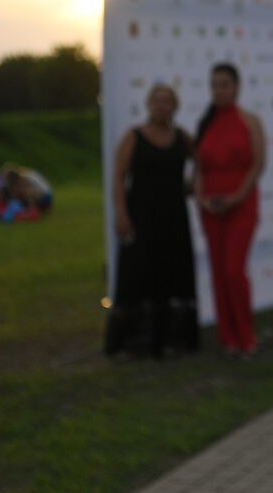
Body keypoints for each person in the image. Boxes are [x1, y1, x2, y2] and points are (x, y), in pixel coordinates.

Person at [106, 83, 200, 358]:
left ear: (174, 106)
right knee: (137, 276)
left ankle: (173, 340)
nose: (162, 105)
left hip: (174, 219)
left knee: (173, 276)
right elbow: (119, 178)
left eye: (167, 101)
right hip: (140, 218)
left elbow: (202, 163)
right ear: (149, 105)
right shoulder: (133, 137)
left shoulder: (183, 137)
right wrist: (121, 214)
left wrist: (192, 185)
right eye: (157, 100)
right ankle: (134, 343)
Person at [194, 63, 266, 357]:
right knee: (218, 273)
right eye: (214, 85)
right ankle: (228, 338)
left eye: (224, 84)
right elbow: (198, 168)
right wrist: (200, 197)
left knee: (234, 271)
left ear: (236, 86)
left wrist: (238, 196)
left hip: (241, 204)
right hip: (210, 208)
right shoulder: (205, 123)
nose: (219, 90)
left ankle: (246, 337)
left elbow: (258, 163)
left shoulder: (250, 121)